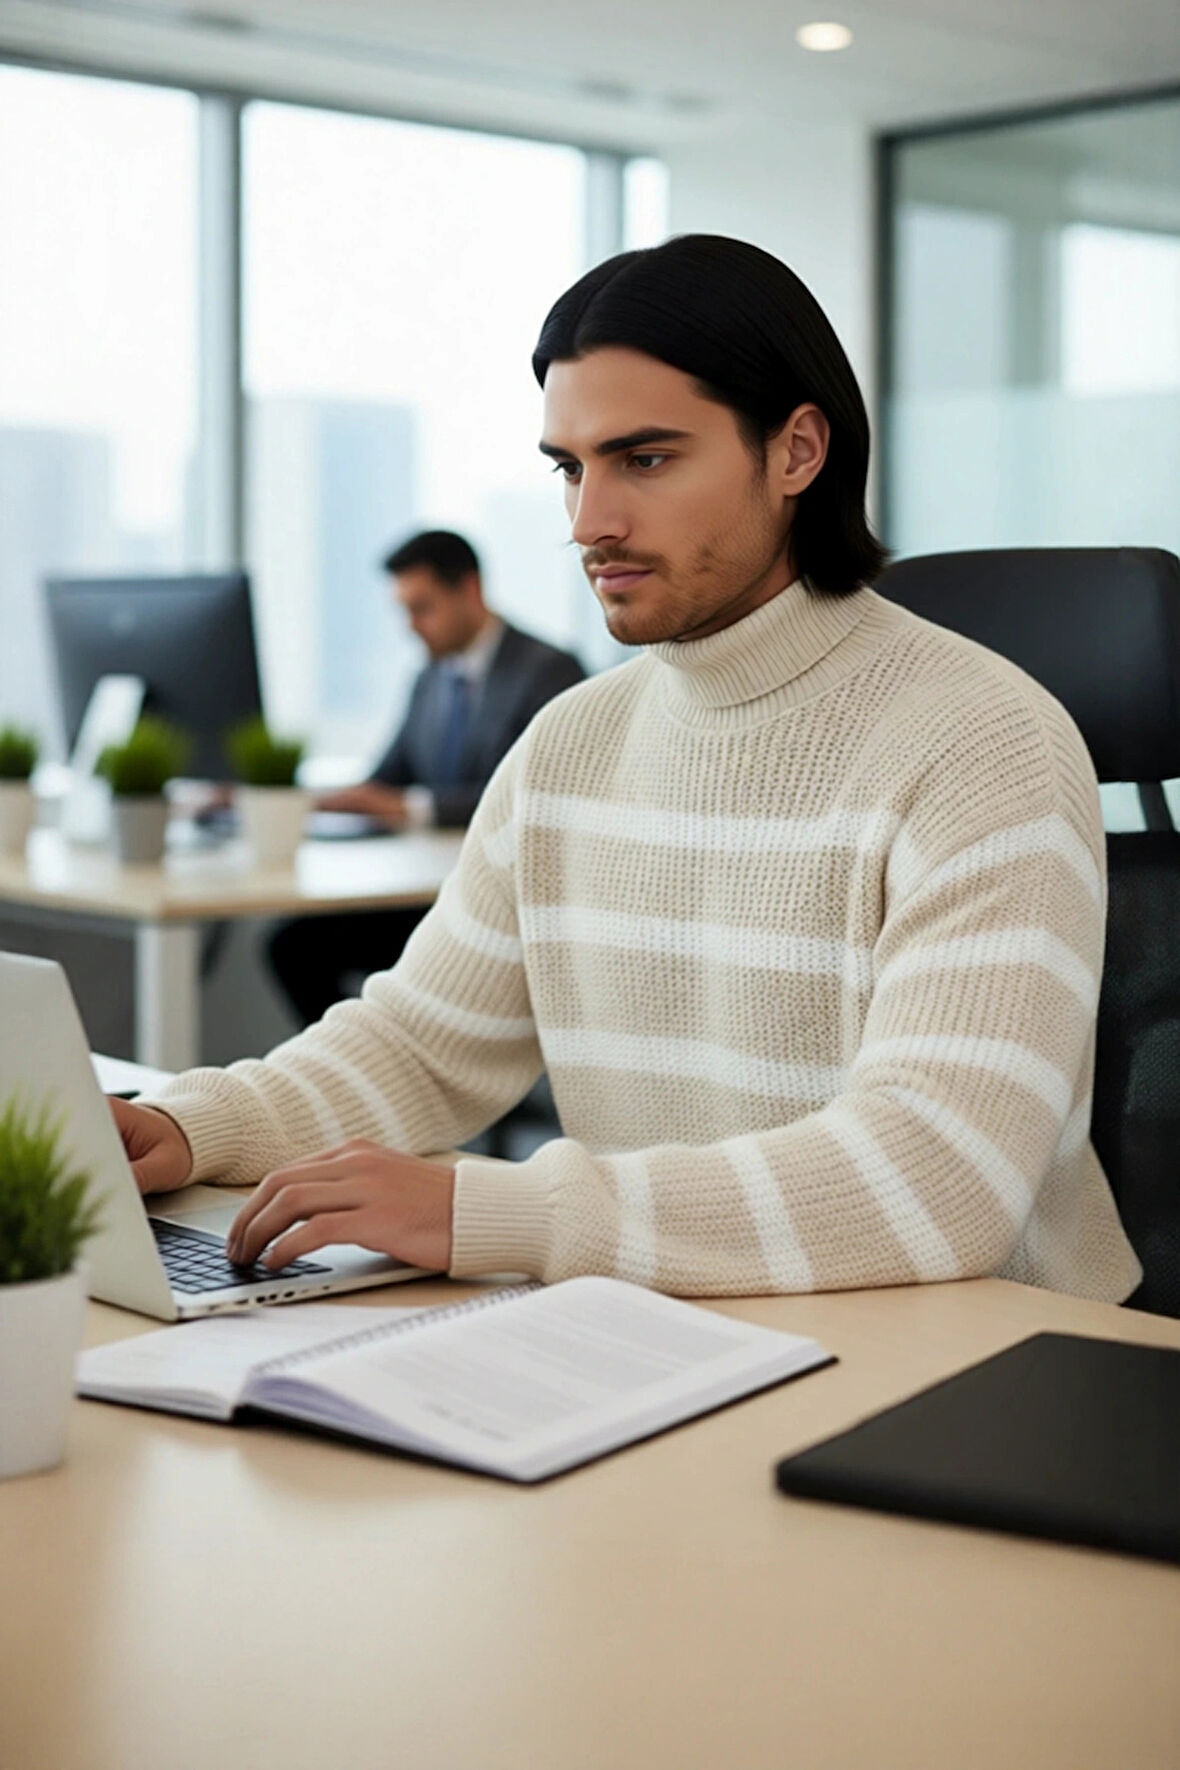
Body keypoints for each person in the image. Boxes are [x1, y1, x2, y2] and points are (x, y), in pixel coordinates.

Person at [111, 233, 1141, 1305]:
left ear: (796, 452)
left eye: (644, 460)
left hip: (981, 1350)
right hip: (671, 1329)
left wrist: (492, 1212)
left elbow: (937, 1173)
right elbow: (421, 1046)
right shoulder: (569, 744)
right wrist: (190, 1126)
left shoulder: (984, 741)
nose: (587, 523)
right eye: (570, 467)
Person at [267, 528, 585, 1024]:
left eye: (422, 608)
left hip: (494, 902)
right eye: (404, 611)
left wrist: (413, 808)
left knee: (307, 948)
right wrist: (307, 799)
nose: (411, 627)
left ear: (470, 590)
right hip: (427, 890)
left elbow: (537, 796)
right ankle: (364, 1067)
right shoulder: (431, 677)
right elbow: (387, 778)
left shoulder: (548, 670)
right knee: (293, 946)